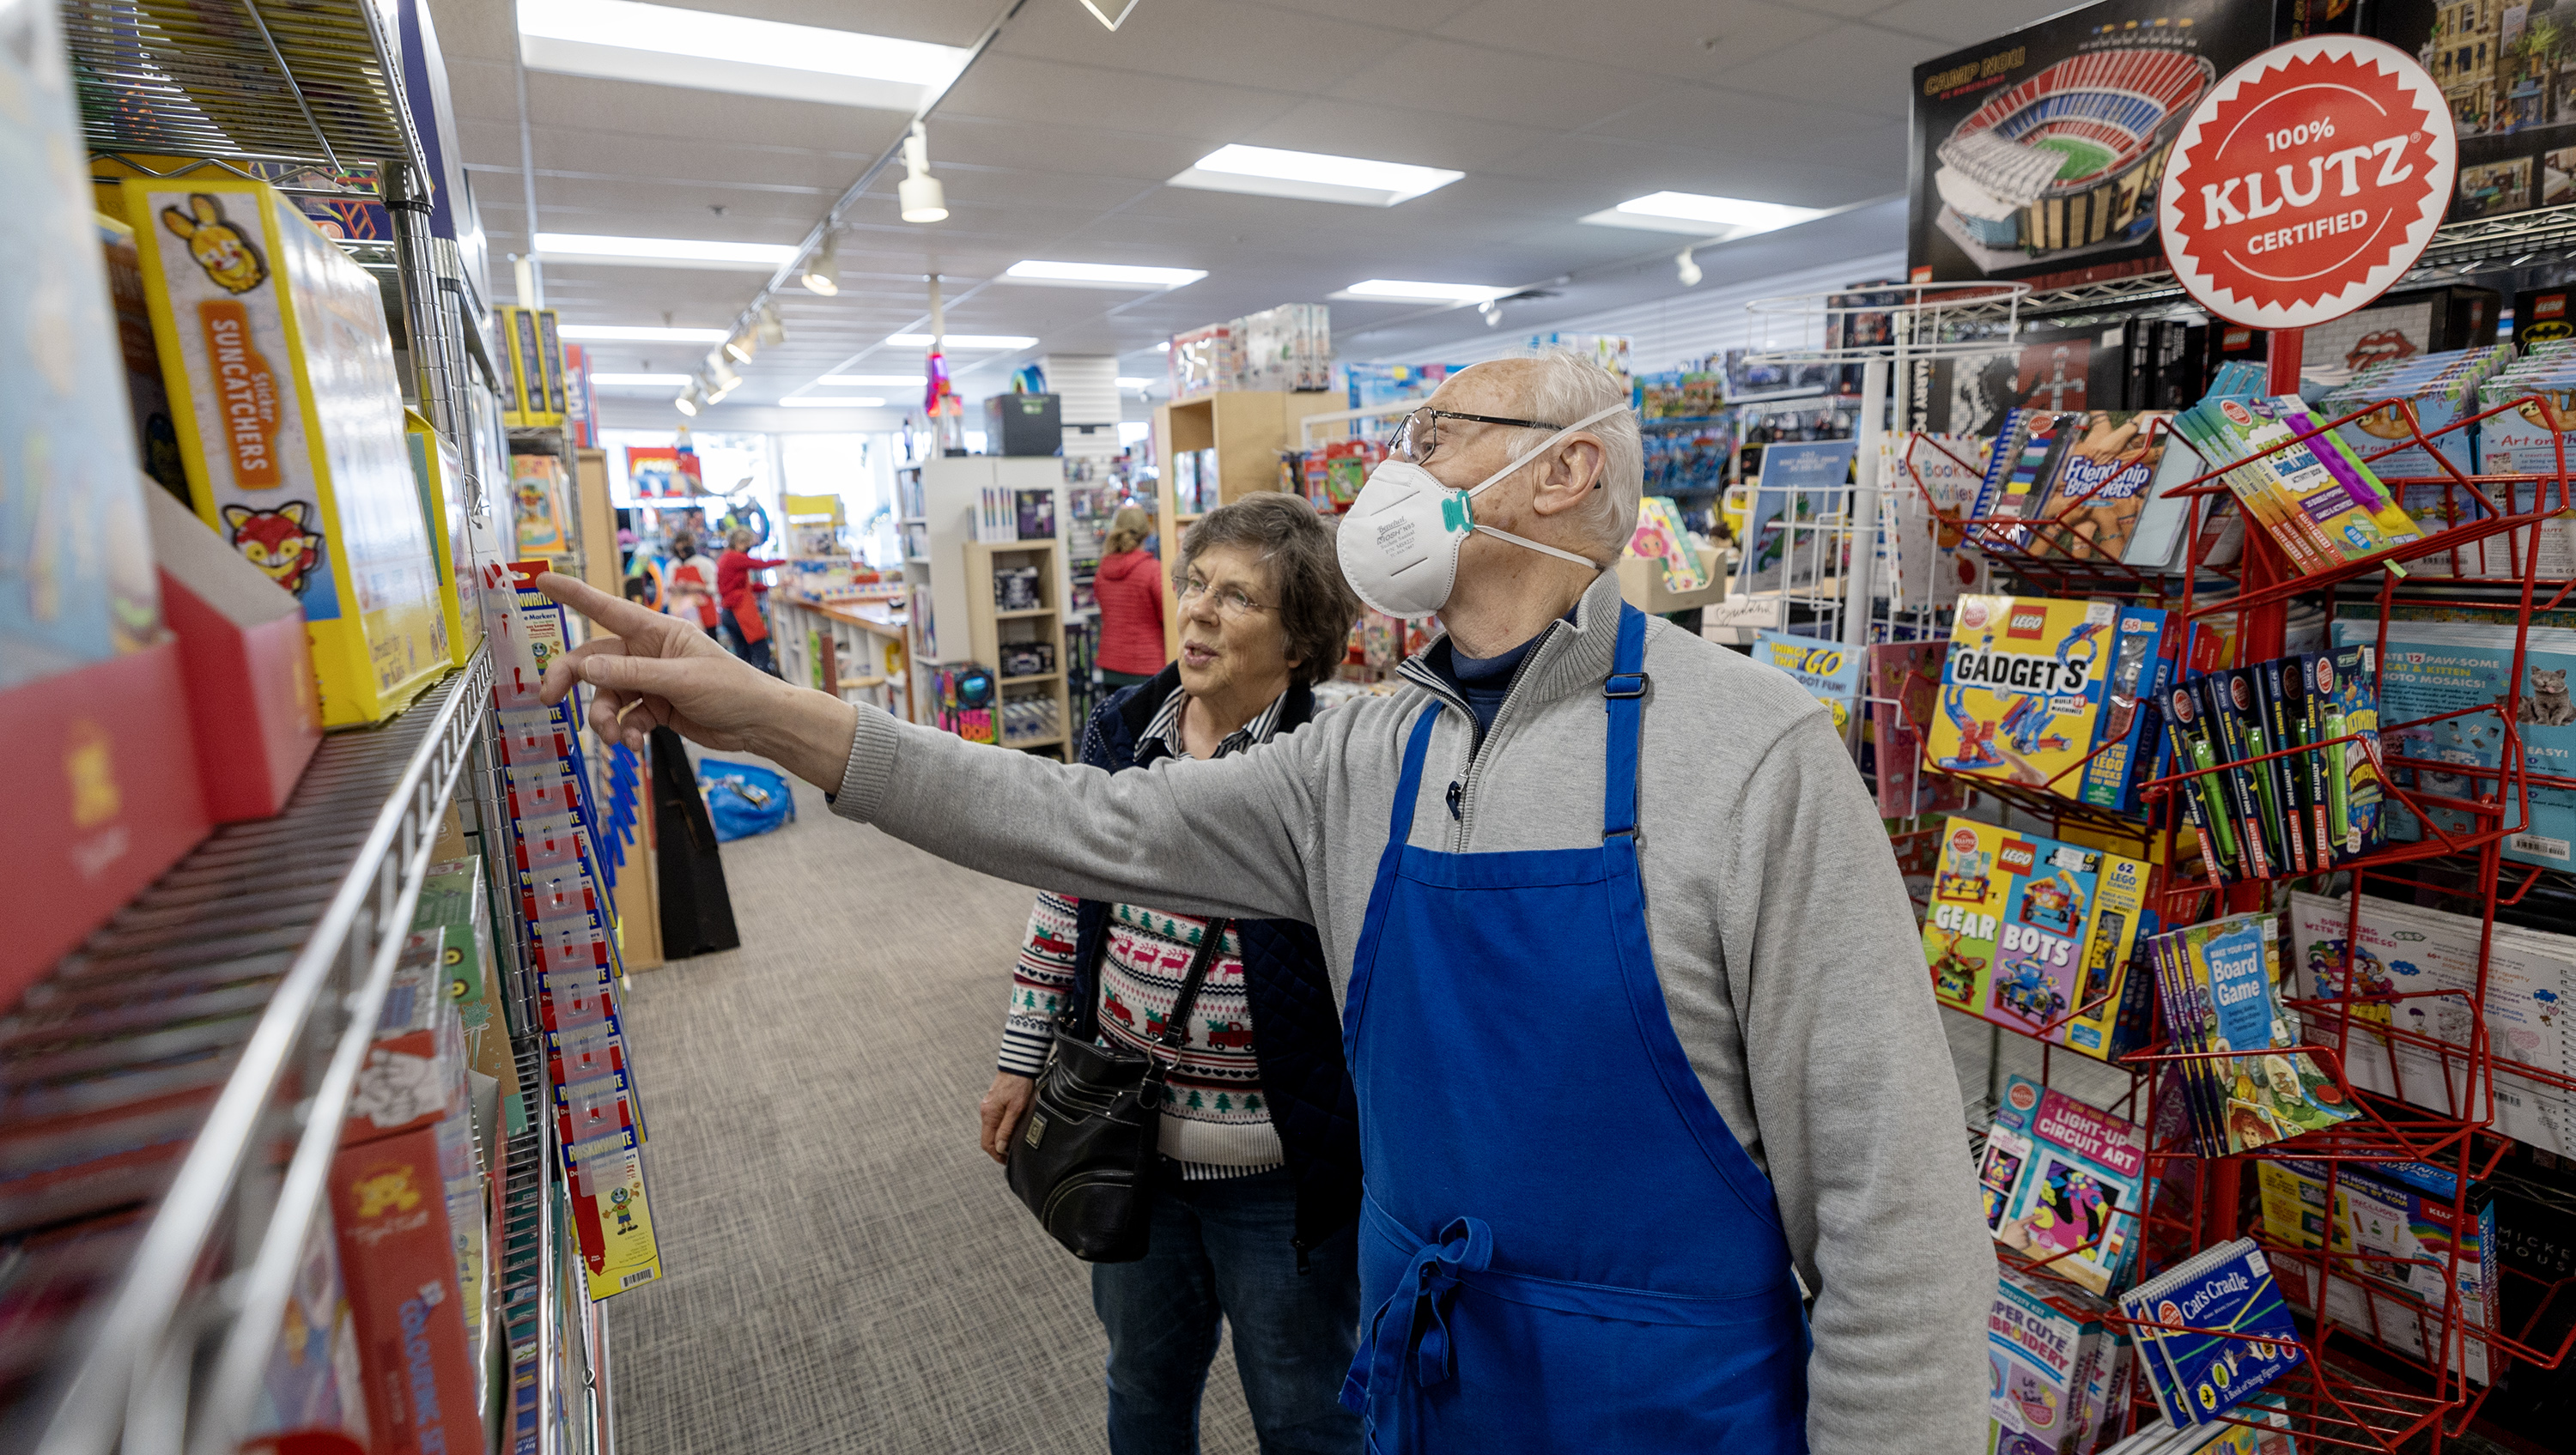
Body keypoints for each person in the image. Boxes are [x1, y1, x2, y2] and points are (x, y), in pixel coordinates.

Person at [534, 352, 1990, 1455]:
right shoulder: (1362, 752)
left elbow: (1895, 1209)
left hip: (1664, 1406)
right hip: (1426, 1374)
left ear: (1563, 474)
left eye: (1435, 441)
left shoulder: (1753, 752)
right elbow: (1072, 818)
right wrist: (764, 711)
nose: (1393, 476)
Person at [981, 494, 1365, 1455]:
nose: (1195, 610)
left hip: (1280, 1174)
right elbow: (1061, 906)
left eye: (1236, 599)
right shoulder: (1123, 731)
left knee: (1306, 1411)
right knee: (1145, 1387)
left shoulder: (1330, 764)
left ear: (1299, 642)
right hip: (1127, 1145)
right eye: (1195, 582)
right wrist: (1019, 1057)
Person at [1092, 502, 1165, 694]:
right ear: (1146, 531)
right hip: (1147, 666)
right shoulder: (1152, 570)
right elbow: (1166, 615)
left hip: (1111, 666)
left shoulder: (1102, 571)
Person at [716, 525, 785, 675]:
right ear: (739, 542)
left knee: (744, 655)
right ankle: (764, 688)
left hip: (729, 611)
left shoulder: (726, 558)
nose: (748, 548)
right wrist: (785, 561)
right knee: (760, 651)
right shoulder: (734, 557)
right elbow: (759, 564)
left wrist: (770, 586)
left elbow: (745, 586)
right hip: (739, 611)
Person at [663, 532, 719, 639]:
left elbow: (715, 588)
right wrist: (675, 588)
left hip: (705, 612)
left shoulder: (705, 563)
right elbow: (667, 588)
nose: (682, 553)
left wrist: (699, 587)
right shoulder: (672, 566)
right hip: (682, 614)